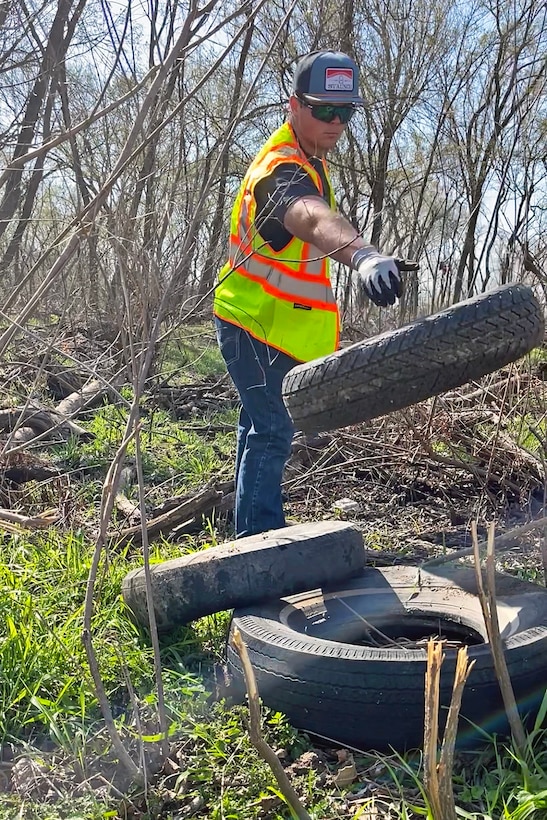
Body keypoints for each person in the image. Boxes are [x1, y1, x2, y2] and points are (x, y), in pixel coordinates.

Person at [213, 50, 404, 539]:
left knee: (258, 430)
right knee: (273, 432)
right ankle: (258, 553)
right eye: (324, 111)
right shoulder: (279, 168)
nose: (336, 123)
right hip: (252, 324)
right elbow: (308, 215)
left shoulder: (310, 162)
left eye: (346, 112)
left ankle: (246, 536)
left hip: (277, 329)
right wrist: (362, 255)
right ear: (294, 106)